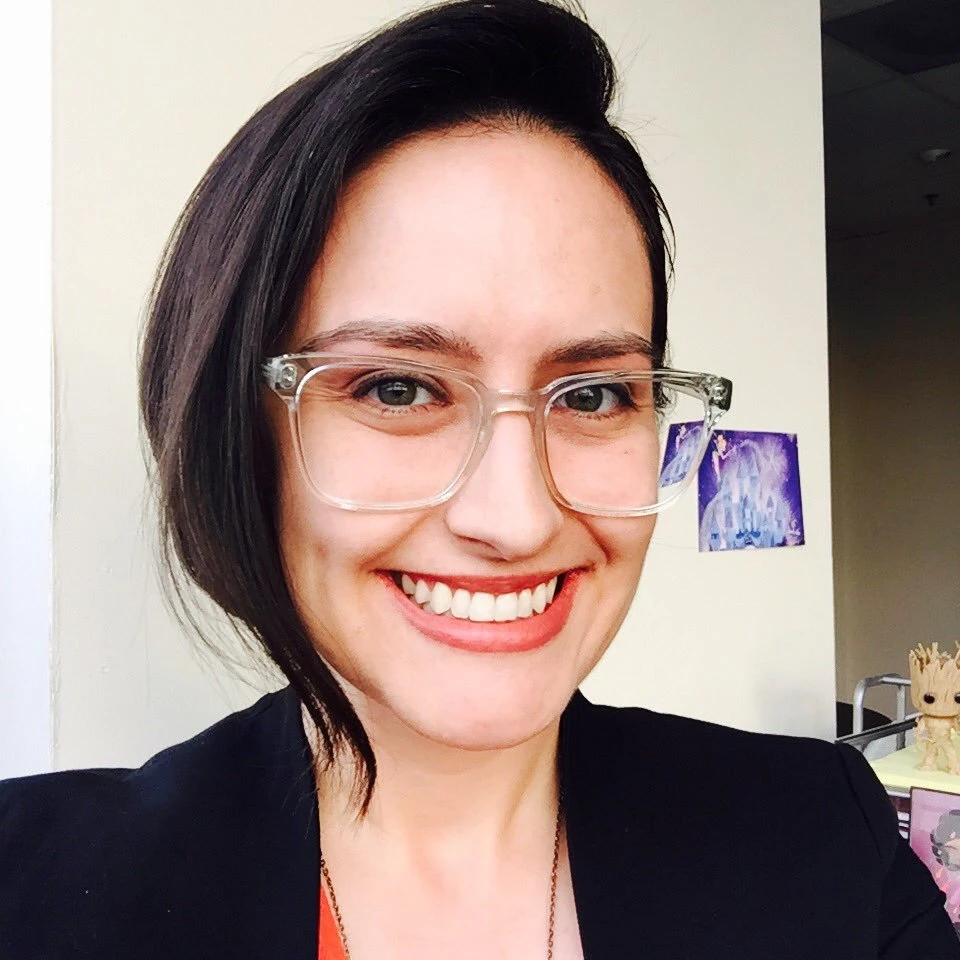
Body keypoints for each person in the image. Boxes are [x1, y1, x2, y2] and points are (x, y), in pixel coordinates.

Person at [1, 1, 956, 958]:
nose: (518, 517)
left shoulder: (822, 838)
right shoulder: (34, 891)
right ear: (238, 432)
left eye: (593, 395)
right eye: (398, 387)